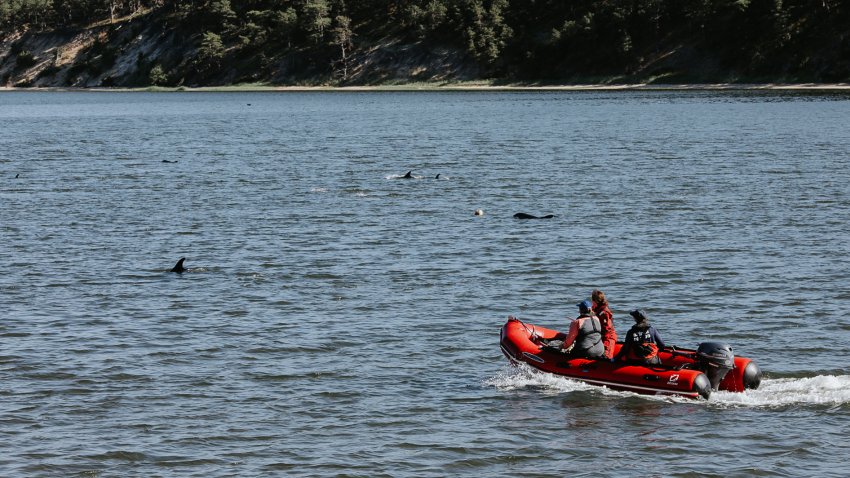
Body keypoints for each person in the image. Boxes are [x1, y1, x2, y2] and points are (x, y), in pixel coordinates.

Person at [591, 289, 617, 359]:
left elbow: (607, 329)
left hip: (608, 337)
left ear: (595, 301)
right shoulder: (597, 310)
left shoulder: (604, 312)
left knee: (606, 357)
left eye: (592, 301)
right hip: (601, 337)